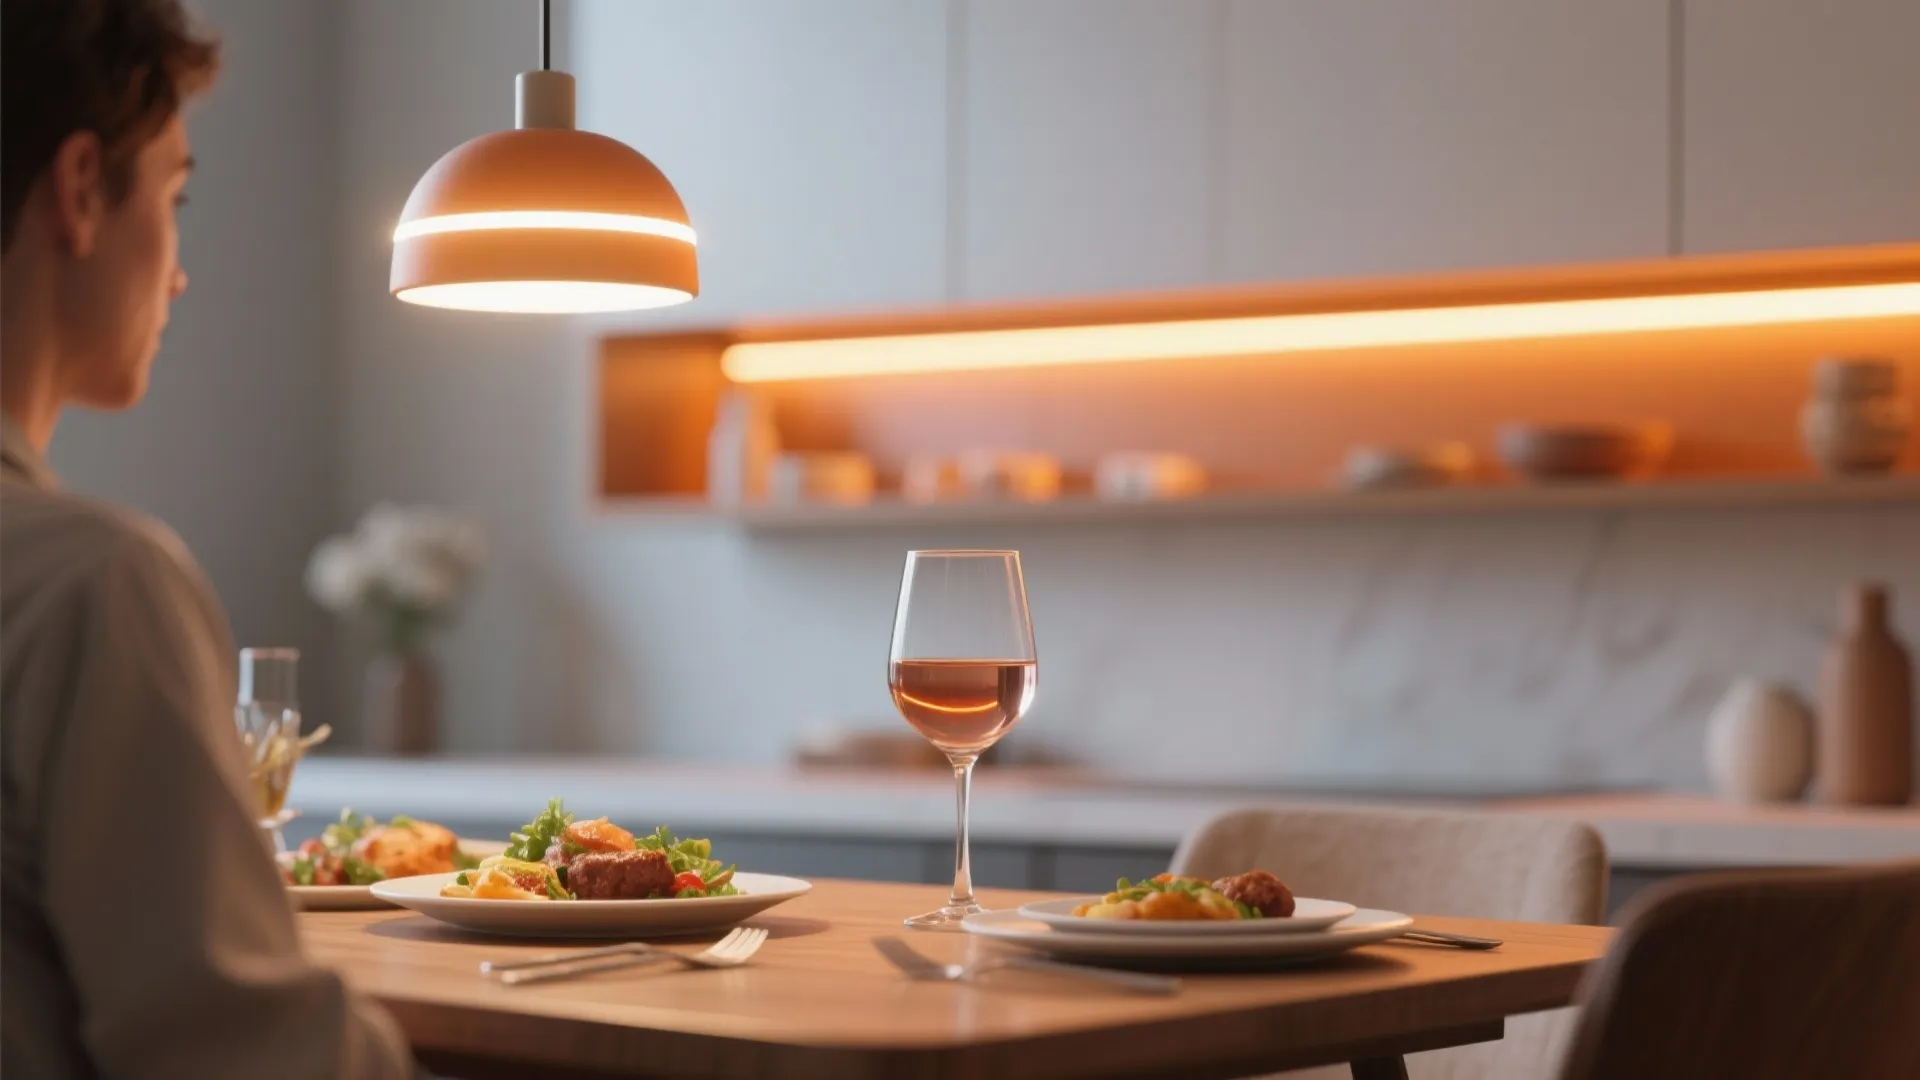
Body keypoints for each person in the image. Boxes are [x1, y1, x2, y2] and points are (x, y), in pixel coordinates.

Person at [1, 1, 413, 1076]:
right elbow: (245, 1051)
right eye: (177, 197)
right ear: (82, 188)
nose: (179, 272)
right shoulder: (91, 584)